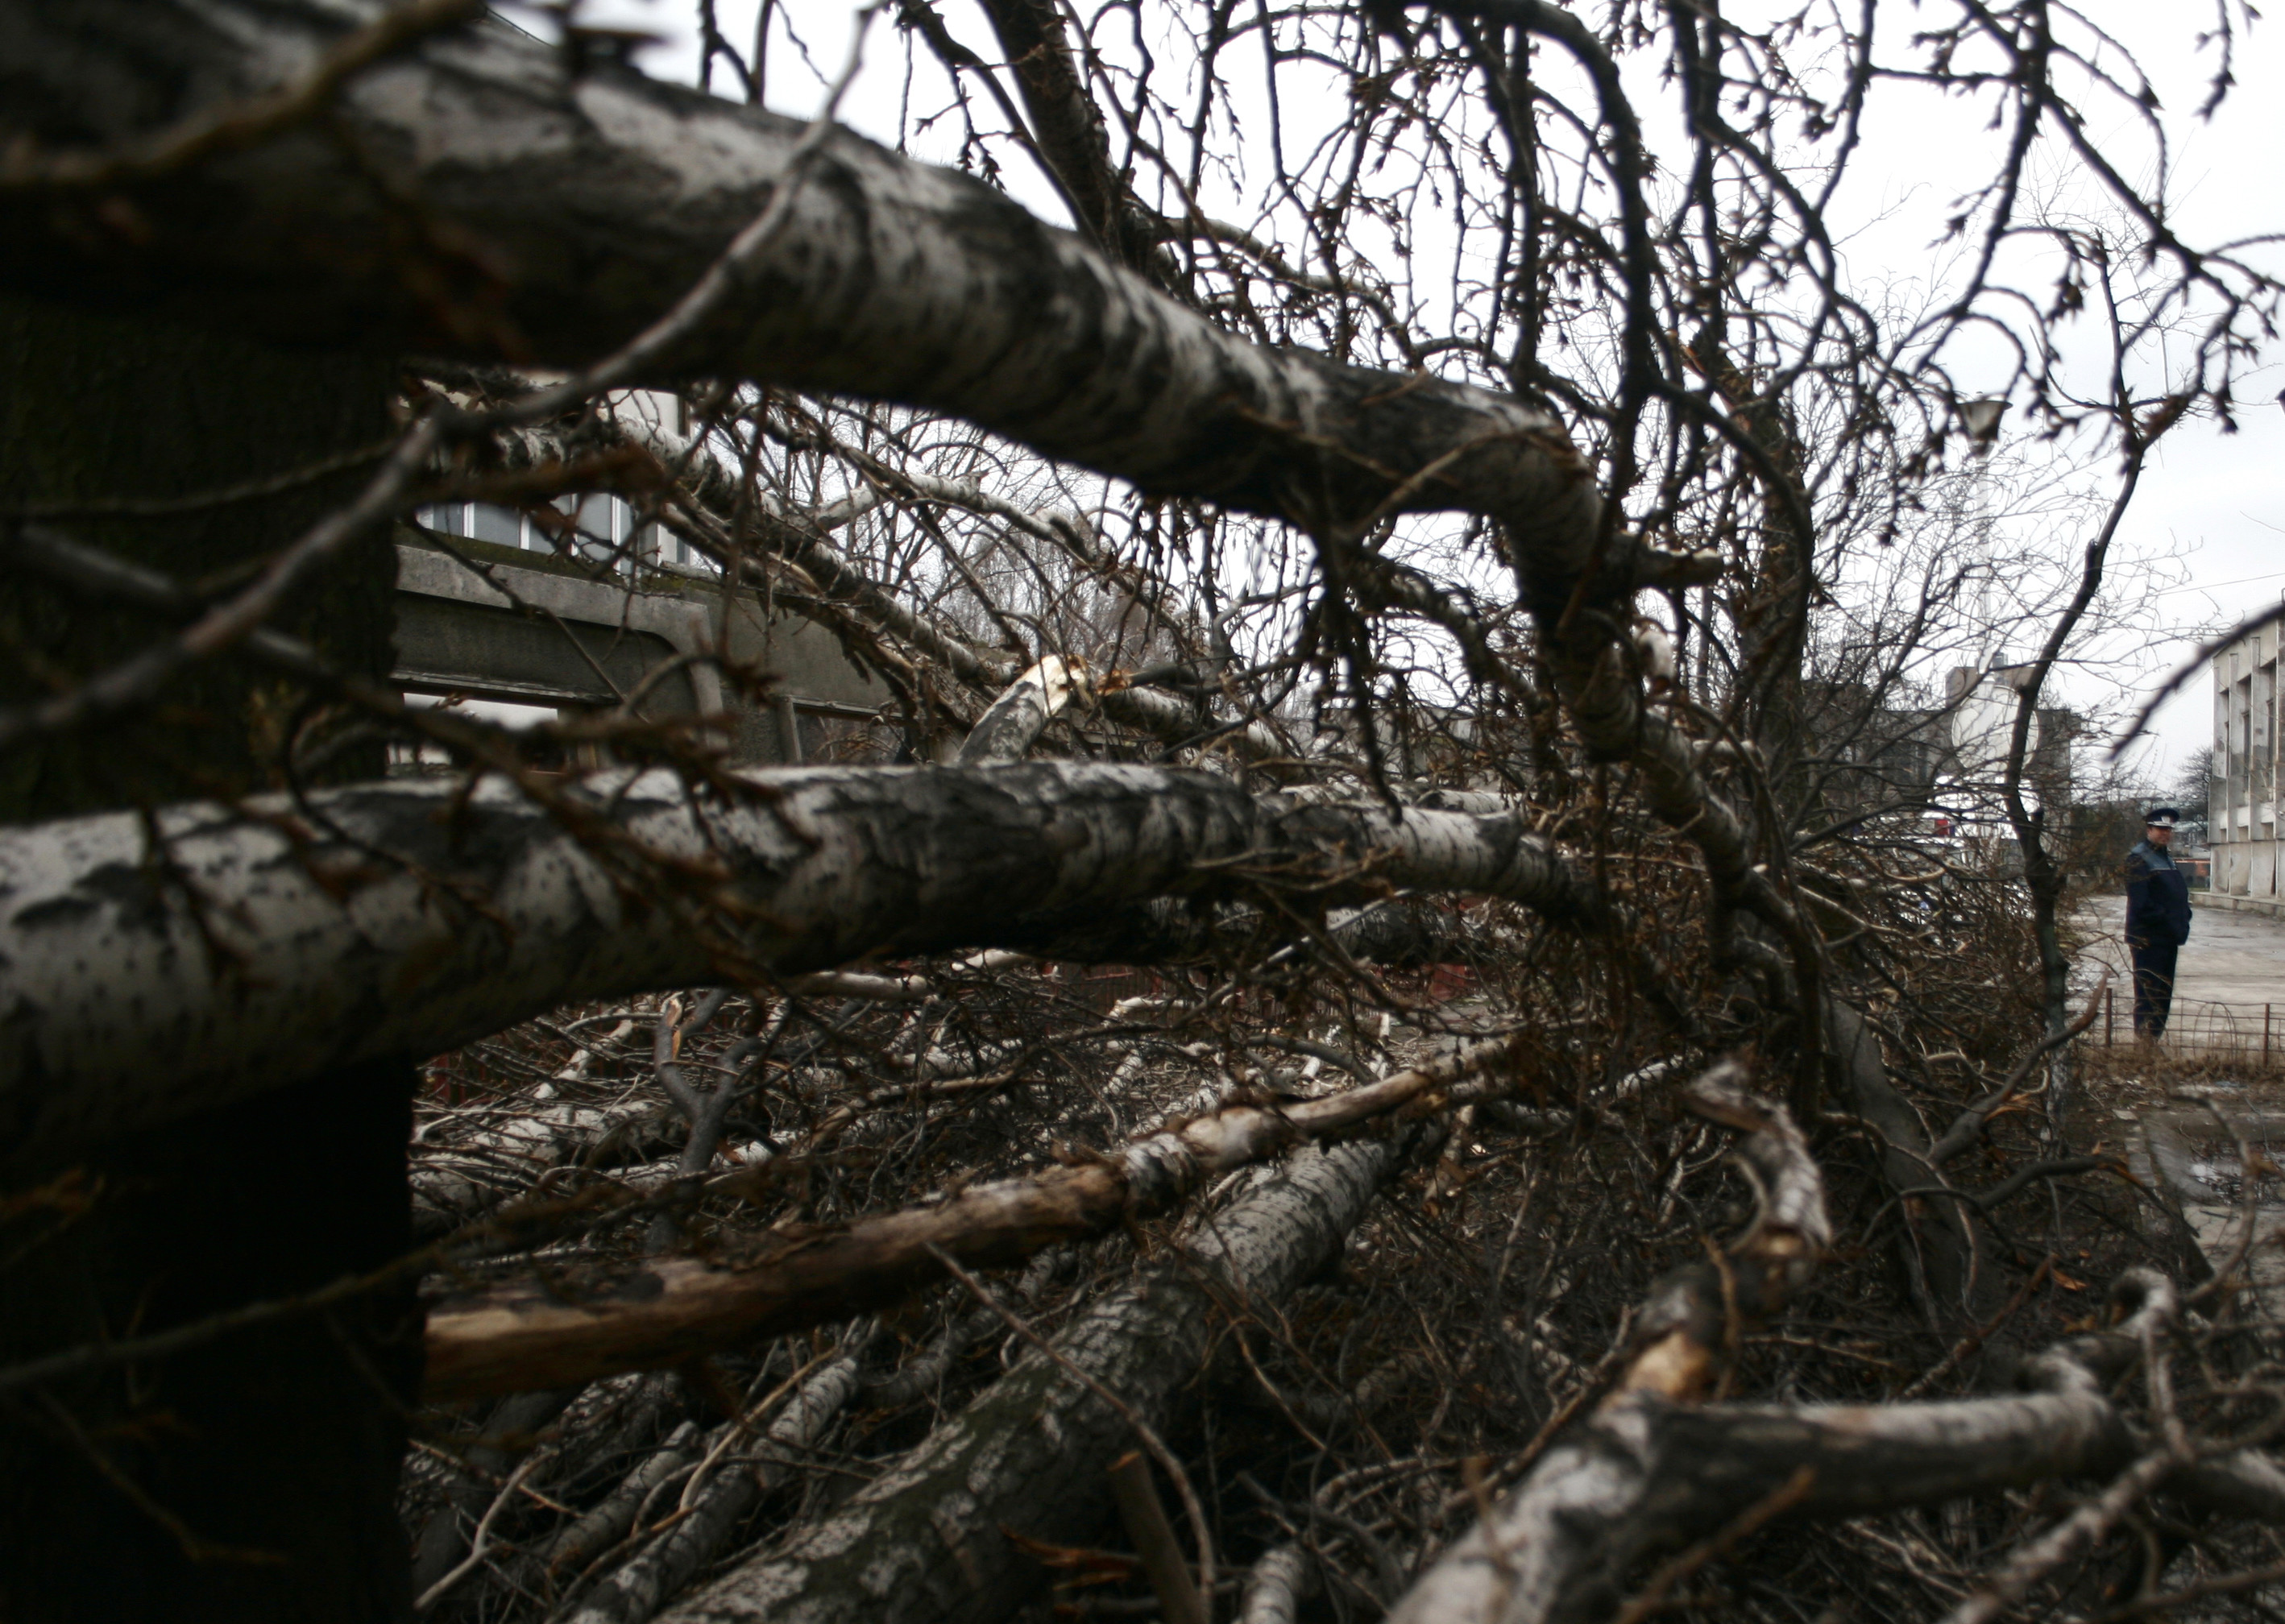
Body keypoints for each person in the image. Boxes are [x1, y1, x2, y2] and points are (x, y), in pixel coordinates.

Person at [2125, 807, 2192, 1038]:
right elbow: (2142, 904)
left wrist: (2184, 916)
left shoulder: (2165, 858)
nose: (2166, 834)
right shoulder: (2139, 859)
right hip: (2149, 939)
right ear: (2149, 830)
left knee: (2163, 995)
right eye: (2161, 829)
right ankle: (2144, 1043)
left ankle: (2153, 1041)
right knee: (2149, 995)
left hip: (2168, 938)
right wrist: (2169, 919)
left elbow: (2174, 895)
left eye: (2168, 830)